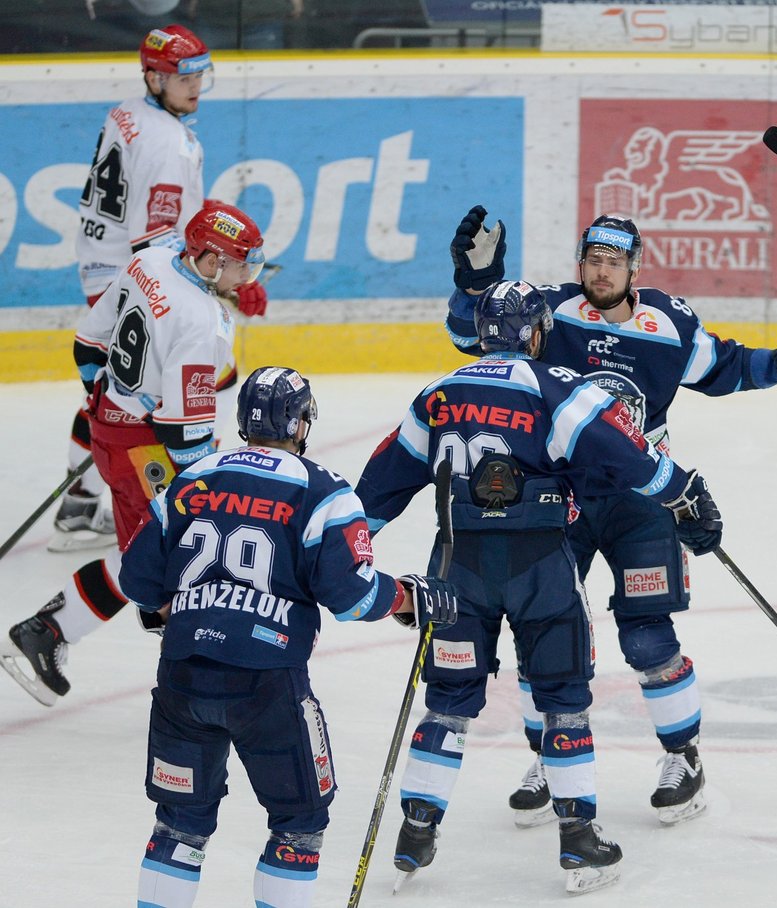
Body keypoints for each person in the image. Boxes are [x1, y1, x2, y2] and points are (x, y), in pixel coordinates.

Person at [445, 206, 777, 826]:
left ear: (634, 267)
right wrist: (475, 284)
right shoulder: (549, 312)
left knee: (647, 634)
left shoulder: (670, 323)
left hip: (641, 499)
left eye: (612, 262)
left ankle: (683, 758)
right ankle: (552, 756)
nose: (599, 271)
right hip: (560, 498)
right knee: (542, 633)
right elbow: (475, 340)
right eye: (591, 259)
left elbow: (729, 367)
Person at [353, 280, 724, 895]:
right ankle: (579, 841)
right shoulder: (559, 391)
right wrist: (684, 492)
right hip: (539, 567)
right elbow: (629, 459)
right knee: (561, 699)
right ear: (537, 331)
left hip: (456, 568)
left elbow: (378, 488)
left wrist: (348, 554)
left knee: (447, 703)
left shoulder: (438, 393)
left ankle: (416, 828)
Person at [115, 365, 456, 908]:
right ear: (299, 424)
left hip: (183, 676)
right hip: (267, 686)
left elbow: (135, 579)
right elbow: (353, 596)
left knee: (179, 828)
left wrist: (189, 604)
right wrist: (407, 598)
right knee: (298, 825)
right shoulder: (323, 490)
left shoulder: (191, 478)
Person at [1, 202, 265, 707]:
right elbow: (184, 433)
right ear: (209, 261)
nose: (247, 274)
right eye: (239, 263)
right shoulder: (202, 323)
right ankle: (58, 633)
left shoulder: (150, 262)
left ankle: (55, 629)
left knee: (151, 554)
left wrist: (106, 404)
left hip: (108, 425)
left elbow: (86, 345)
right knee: (180, 552)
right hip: (143, 448)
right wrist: (206, 489)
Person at [51, 23, 268, 553]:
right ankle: (184, 478)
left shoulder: (129, 110)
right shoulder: (170, 144)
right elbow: (157, 238)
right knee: (184, 376)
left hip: (105, 261)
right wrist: (225, 284)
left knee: (119, 388)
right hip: (127, 267)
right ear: (153, 75)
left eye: (199, 75)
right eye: (181, 77)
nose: (194, 87)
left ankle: (83, 496)